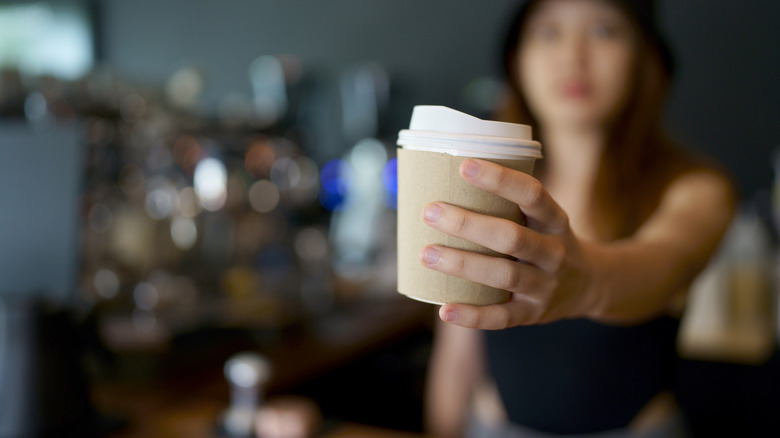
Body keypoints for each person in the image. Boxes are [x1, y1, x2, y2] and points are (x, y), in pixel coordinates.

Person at [424, 0, 736, 436]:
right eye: (549, 32)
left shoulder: (695, 189)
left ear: (643, 55)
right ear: (517, 60)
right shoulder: (481, 186)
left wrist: (587, 282)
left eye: (605, 30)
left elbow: (669, 258)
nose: (573, 56)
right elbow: (458, 350)